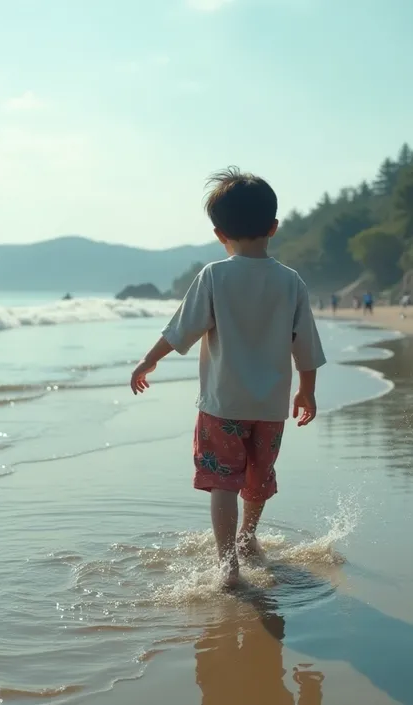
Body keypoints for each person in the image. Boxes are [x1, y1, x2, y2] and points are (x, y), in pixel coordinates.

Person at [130, 168, 326, 588]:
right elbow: (305, 344)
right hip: (271, 407)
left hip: (222, 406)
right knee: (257, 479)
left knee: (223, 483)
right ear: (273, 227)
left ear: (220, 234)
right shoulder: (291, 282)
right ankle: (248, 539)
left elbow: (181, 330)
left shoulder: (215, 276)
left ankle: (228, 567)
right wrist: (306, 391)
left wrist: (149, 361)